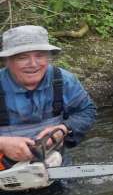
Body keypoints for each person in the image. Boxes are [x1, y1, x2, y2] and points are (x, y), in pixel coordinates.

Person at [0, 25, 96, 168]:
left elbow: (87, 111)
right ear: (7, 61)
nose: (33, 64)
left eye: (40, 56)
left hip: (55, 163)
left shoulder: (63, 80)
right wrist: (3, 144)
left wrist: (63, 129)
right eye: (22, 57)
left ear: (48, 57)